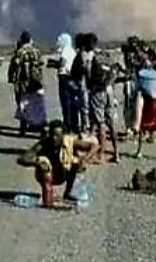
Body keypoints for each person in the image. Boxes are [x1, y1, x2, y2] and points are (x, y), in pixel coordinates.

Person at [17, 120, 97, 207]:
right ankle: (47, 200)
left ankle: (68, 193)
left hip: (63, 172)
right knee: (44, 165)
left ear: (63, 135)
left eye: (57, 135)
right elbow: (22, 158)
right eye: (52, 134)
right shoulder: (44, 144)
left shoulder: (69, 142)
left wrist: (84, 160)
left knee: (74, 163)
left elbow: (94, 146)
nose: (54, 138)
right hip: (47, 174)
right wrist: (37, 162)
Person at [83, 33, 120, 163]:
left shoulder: (90, 56)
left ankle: (101, 154)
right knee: (111, 123)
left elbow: (88, 74)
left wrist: (89, 86)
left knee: (101, 124)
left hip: (97, 92)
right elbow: (114, 72)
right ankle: (116, 154)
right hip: (109, 90)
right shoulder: (105, 54)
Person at [8, 31, 47, 136]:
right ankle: (41, 127)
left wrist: (11, 79)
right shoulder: (37, 51)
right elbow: (42, 63)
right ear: (30, 40)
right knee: (37, 105)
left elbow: (14, 66)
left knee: (23, 105)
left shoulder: (19, 52)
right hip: (36, 82)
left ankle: (23, 127)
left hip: (23, 83)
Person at [48, 33, 77, 131]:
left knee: (66, 101)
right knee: (71, 101)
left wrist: (53, 64)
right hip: (71, 77)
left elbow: (62, 63)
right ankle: (74, 123)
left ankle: (67, 124)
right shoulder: (72, 51)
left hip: (65, 78)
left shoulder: (65, 50)